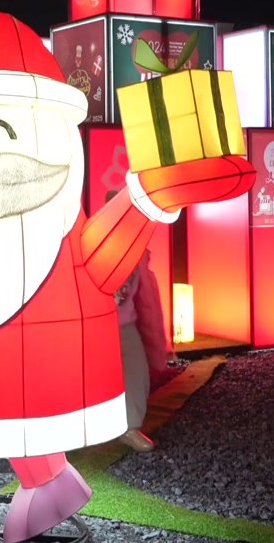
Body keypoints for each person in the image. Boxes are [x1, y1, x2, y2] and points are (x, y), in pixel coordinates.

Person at [108, 192, 172, 452]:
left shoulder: (138, 256)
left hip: (126, 324)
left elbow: (144, 300)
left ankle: (128, 428)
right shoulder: (99, 249)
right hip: (98, 327)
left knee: (136, 374)